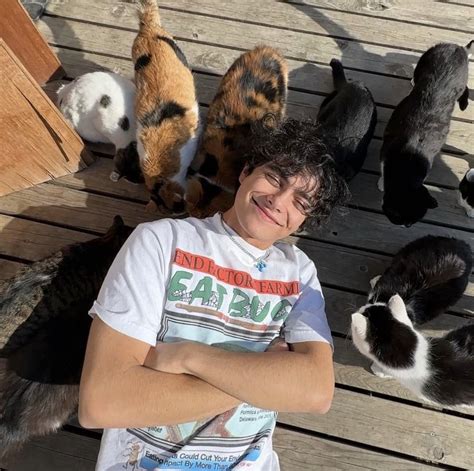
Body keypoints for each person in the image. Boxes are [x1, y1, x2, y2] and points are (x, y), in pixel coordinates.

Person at [79, 118, 349, 470]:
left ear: (304, 221)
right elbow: (102, 402)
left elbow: (316, 391)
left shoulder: (299, 271)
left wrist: (189, 357)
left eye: (300, 202)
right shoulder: (161, 241)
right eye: (275, 178)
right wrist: (267, 377)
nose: (278, 201)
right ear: (246, 171)